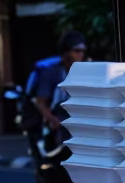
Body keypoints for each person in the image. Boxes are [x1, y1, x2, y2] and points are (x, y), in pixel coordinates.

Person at [22, 30, 87, 160]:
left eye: (82, 51)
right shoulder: (52, 73)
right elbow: (40, 101)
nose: (80, 55)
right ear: (66, 52)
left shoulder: (83, 72)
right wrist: (51, 118)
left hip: (74, 123)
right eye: (76, 51)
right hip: (55, 123)